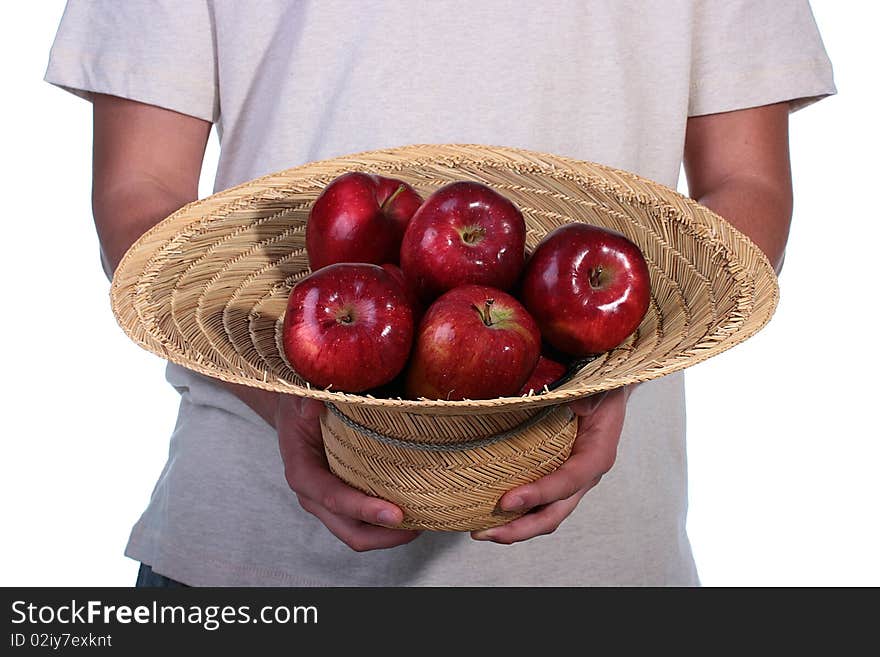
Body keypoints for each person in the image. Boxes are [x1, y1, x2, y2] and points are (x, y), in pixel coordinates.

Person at [45, 0, 835, 586]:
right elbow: (140, 197)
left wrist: (618, 374)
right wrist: (286, 403)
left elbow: (747, 187)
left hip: (606, 565)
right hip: (249, 559)